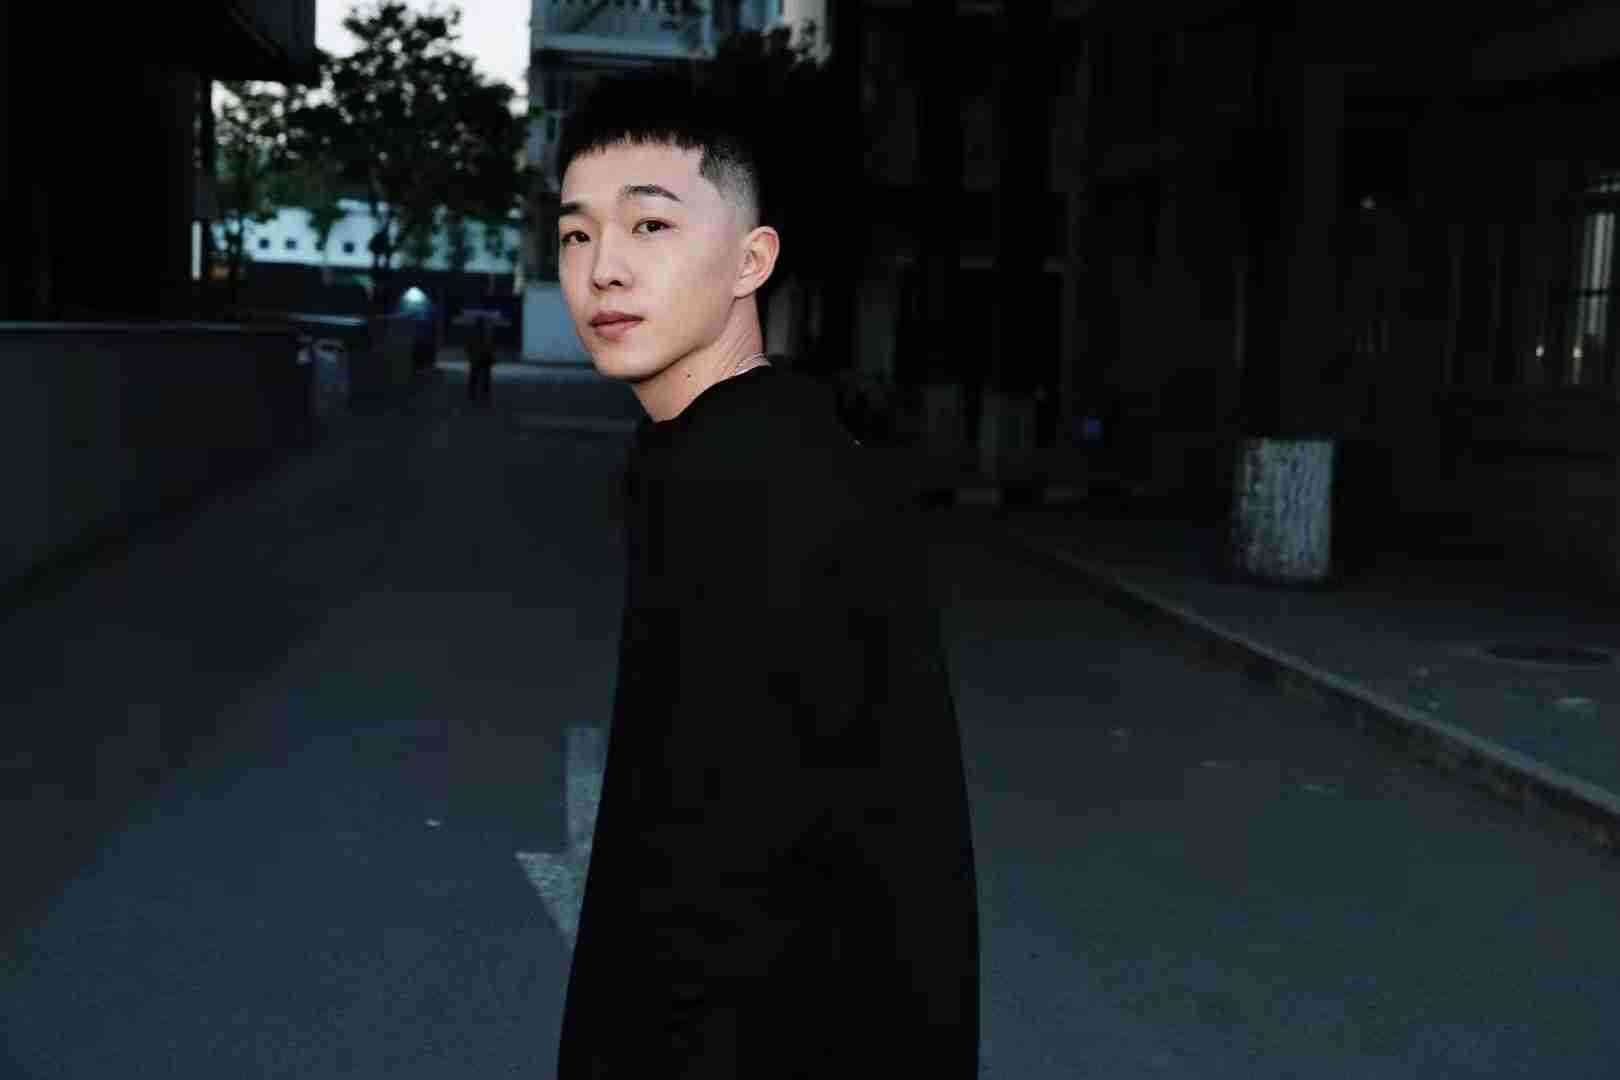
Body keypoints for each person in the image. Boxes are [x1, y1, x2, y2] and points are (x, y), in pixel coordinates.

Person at [552, 69, 980, 1078]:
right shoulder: (745, 449)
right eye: (575, 234)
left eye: (650, 226)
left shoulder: (748, 484)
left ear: (752, 260)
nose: (603, 269)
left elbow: (719, 878)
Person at [466, 315, 496, 405]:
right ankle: (484, 395)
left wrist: (470, 356)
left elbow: (468, 346)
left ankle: (472, 394)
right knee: (485, 378)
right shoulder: (487, 332)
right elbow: (490, 346)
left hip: (476, 358)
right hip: (484, 358)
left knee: (474, 377)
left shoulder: (473, 332)